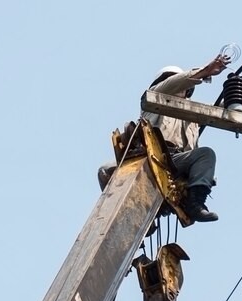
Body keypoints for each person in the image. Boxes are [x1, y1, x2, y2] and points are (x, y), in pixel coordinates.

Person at [98, 53, 231, 222]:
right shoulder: (154, 97)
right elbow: (175, 82)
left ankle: (195, 204)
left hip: (177, 163)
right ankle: (127, 213)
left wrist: (236, 90)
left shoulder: (193, 113)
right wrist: (205, 71)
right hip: (151, 158)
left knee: (206, 154)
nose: (177, 85)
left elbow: (219, 111)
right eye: (171, 80)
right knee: (105, 170)